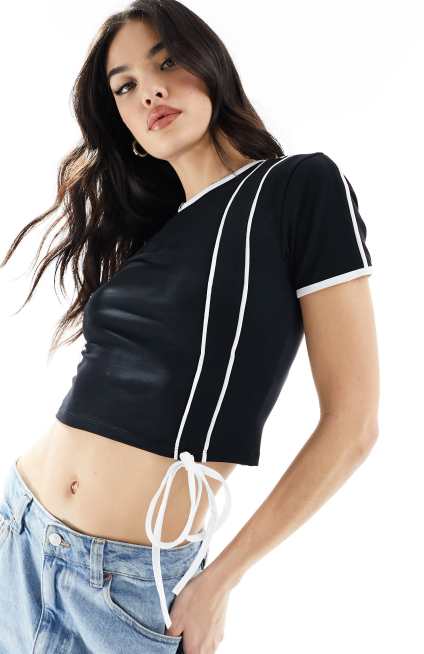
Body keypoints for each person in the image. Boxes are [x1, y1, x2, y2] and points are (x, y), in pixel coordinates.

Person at [0, 1, 380, 652]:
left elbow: (354, 425)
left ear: (211, 66)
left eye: (166, 62)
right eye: (124, 86)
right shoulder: (153, 237)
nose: (149, 91)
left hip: (127, 586)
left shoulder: (297, 189)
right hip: (20, 532)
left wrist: (219, 581)